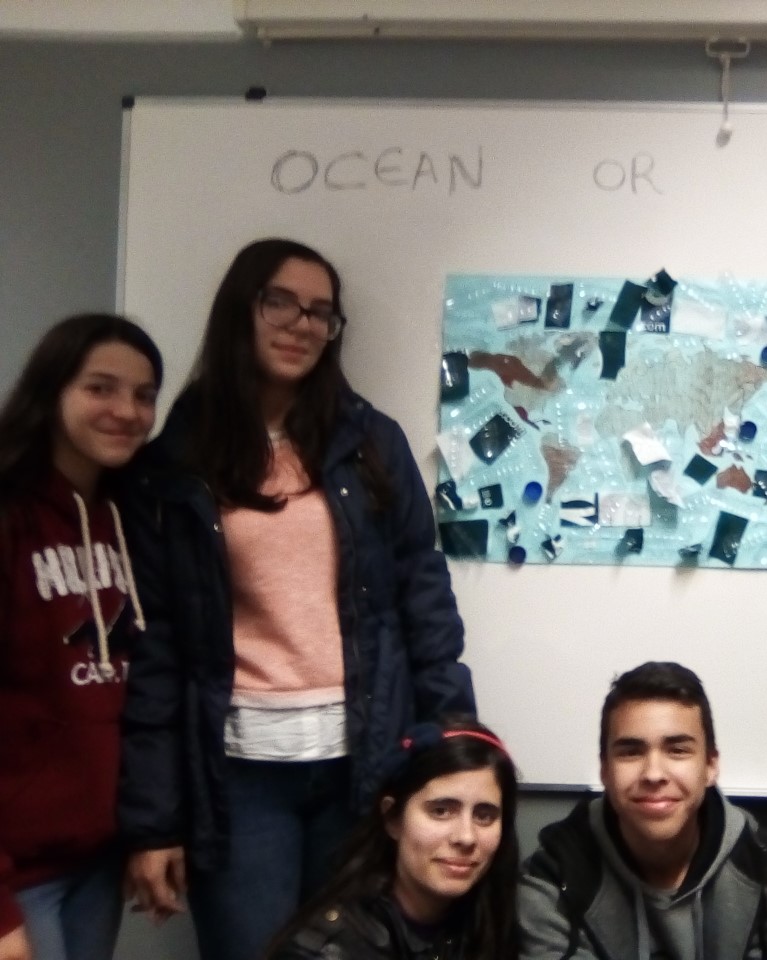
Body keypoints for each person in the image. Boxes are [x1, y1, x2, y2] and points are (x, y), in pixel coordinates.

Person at [119, 238, 475, 960]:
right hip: (238, 775)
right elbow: (155, 649)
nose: (301, 325)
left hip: (362, 764)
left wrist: (454, 738)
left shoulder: (370, 443)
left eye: (320, 312)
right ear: (240, 310)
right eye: (280, 302)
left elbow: (423, 597)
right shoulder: (177, 460)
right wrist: (153, 822)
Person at [0, 314, 162, 960]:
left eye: (144, 395)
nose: (126, 411)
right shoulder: (10, 516)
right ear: (53, 390)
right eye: (100, 388)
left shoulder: (132, 518)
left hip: (96, 860)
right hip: (17, 872)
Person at [519, 661, 767, 960]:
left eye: (677, 750)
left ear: (710, 765)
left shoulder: (762, 870)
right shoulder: (554, 878)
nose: (654, 774)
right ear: (604, 770)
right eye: (631, 752)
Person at [267, 718, 519, 960]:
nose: (466, 837)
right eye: (441, 811)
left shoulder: (490, 917)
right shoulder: (330, 949)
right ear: (392, 819)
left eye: (484, 816)